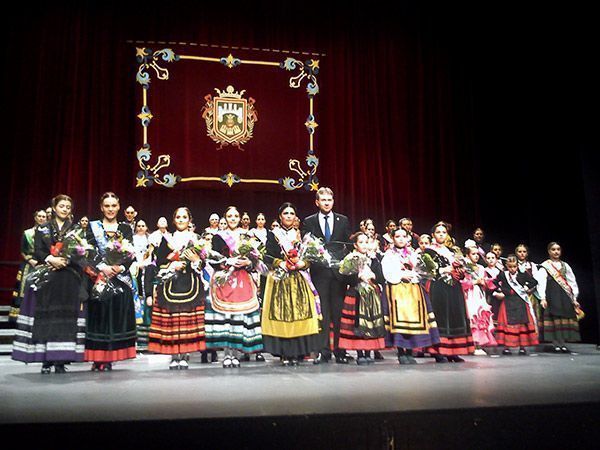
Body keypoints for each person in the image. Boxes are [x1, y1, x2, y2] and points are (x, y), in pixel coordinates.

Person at [12, 195, 86, 373]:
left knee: (66, 318)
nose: (65, 209)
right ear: (54, 207)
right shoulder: (43, 228)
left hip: (69, 277)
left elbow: (81, 251)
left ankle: (61, 360)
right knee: (47, 317)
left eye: (68, 207)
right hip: (49, 275)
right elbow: (37, 250)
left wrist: (67, 261)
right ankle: (46, 360)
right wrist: (50, 258)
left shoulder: (76, 229)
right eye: (62, 206)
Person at [261, 203, 321, 365]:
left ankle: (299, 352)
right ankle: (284, 353)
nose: (288, 216)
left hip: (299, 279)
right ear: (280, 216)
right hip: (280, 279)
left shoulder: (302, 235)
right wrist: (281, 263)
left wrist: (303, 263)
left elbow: (311, 257)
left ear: (295, 217)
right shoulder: (273, 235)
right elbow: (266, 256)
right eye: (285, 213)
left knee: (300, 314)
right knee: (282, 314)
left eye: (291, 213)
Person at [147, 207, 207, 369]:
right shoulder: (167, 239)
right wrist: (173, 264)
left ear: (190, 220)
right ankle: (174, 355)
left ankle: (185, 355)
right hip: (171, 284)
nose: (181, 220)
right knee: (174, 321)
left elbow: (202, 263)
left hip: (191, 284)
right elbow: (158, 263)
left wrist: (195, 260)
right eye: (178, 217)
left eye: (184, 217)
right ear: (174, 220)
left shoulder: (196, 239)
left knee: (187, 320)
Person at [205, 206, 264, 367]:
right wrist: (226, 262)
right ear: (225, 217)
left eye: (235, 216)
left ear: (239, 218)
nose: (232, 218)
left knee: (239, 317)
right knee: (226, 319)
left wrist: (248, 262)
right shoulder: (218, 237)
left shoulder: (247, 236)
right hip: (224, 279)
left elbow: (256, 260)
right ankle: (226, 354)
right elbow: (212, 259)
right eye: (229, 216)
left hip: (242, 278)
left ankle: (236, 353)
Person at [85, 192, 137, 371]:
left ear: (119, 207)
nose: (110, 209)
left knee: (115, 319)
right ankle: (97, 358)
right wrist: (102, 268)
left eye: (113, 205)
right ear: (101, 207)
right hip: (98, 277)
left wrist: (119, 268)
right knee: (99, 319)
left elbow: (131, 254)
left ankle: (111, 357)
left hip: (120, 278)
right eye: (107, 206)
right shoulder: (92, 227)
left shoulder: (126, 228)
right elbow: (88, 252)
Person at [301, 187, 352, 364]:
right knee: (323, 313)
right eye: (323, 200)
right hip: (320, 273)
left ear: (333, 201)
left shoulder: (343, 220)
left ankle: (340, 350)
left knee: (338, 313)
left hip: (338, 274)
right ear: (317, 202)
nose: (327, 203)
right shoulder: (309, 221)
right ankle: (324, 352)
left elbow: (348, 246)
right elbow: (306, 246)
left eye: (329, 200)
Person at [381, 228, 440, 364]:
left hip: (413, 290)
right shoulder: (389, 255)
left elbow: (420, 270)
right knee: (399, 320)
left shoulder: (413, 254)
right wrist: (401, 275)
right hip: (397, 289)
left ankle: (410, 351)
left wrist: (413, 275)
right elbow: (387, 272)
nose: (401, 239)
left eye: (404, 236)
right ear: (393, 238)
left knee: (413, 319)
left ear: (408, 238)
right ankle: (401, 351)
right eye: (397, 236)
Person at [424, 221, 474, 362]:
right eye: (438, 232)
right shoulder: (428, 251)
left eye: (444, 232)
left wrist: (461, 272)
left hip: (454, 287)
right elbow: (429, 270)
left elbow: (462, 268)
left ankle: (453, 350)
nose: (441, 235)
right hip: (439, 287)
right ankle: (438, 350)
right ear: (433, 235)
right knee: (441, 317)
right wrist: (446, 270)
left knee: (454, 316)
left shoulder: (452, 251)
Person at [338, 232, 386, 365]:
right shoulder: (351, 258)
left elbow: (381, 277)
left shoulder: (374, 259)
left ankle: (368, 352)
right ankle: (359, 352)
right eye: (361, 242)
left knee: (370, 321)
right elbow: (345, 277)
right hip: (356, 293)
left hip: (371, 294)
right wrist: (358, 276)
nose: (364, 245)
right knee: (358, 322)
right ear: (355, 245)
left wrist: (373, 276)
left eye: (366, 242)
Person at [537, 242, 581, 353]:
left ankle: (563, 344)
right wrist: (543, 297)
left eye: (558, 249)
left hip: (564, 297)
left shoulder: (565, 266)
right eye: (553, 249)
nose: (556, 252)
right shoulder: (545, 266)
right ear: (549, 251)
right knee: (554, 319)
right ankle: (556, 344)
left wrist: (574, 298)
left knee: (563, 318)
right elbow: (541, 282)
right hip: (552, 296)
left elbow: (572, 282)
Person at [493, 255, 539, 356]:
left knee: (522, 324)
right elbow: (494, 282)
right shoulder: (503, 275)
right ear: (506, 266)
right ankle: (506, 347)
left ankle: (522, 347)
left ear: (517, 266)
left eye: (514, 266)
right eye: (510, 266)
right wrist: (501, 290)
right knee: (507, 324)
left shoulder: (522, 274)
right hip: (508, 301)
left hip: (520, 302)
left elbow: (534, 282)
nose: (512, 269)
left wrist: (526, 287)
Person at [10, 209, 47, 323]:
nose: (41, 218)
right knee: (24, 288)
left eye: (43, 216)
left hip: (44, 264)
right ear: (35, 218)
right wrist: (30, 260)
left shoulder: (48, 234)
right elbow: (22, 250)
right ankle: (21, 314)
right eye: (39, 216)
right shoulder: (27, 233)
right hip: (29, 264)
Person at [460, 243, 497, 354]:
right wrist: (474, 281)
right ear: (467, 255)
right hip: (469, 295)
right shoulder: (465, 268)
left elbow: (487, 282)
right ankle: (472, 345)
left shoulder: (481, 268)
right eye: (473, 254)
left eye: (477, 254)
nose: (476, 256)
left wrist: (489, 281)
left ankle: (479, 345)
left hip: (479, 295)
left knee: (481, 317)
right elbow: (461, 282)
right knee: (472, 317)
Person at [131, 219, 152, 352]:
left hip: (146, 272)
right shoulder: (132, 239)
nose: (140, 227)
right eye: (138, 225)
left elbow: (151, 256)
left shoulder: (150, 240)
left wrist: (145, 263)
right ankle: (135, 341)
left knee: (146, 308)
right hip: (134, 272)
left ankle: (146, 342)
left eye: (143, 225)